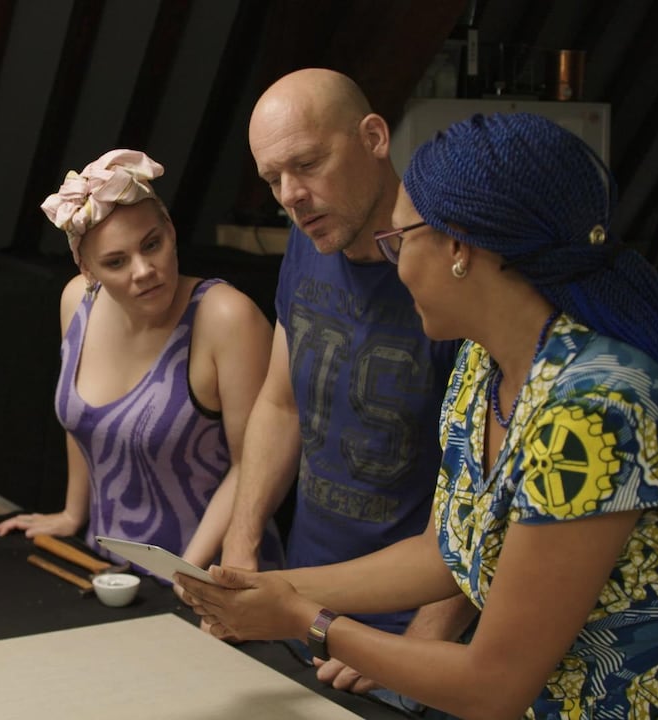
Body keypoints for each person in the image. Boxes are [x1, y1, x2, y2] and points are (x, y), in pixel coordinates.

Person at [178, 112, 658, 718]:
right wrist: (279, 588)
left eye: (399, 242)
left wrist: (306, 618)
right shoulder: (482, 367)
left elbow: (494, 684)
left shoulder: (593, 408)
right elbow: (446, 552)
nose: (396, 266)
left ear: (457, 247)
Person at [217, 68, 476, 707]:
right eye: (272, 179)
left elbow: (484, 507)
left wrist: (425, 642)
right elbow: (281, 404)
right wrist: (243, 540)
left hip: (409, 627)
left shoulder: (450, 274)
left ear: (373, 137)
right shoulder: (312, 240)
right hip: (300, 607)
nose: (291, 196)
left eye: (306, 164)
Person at [0, 149, 283, 571]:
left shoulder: (226, 317)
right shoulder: (77, 301)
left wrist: (186, 573)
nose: (144, 270)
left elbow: (253, 466)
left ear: (171, 231)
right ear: (87, 269)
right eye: (116, 262)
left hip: (214, 573)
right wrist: (74, 514)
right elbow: (80, 420)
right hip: (108, 568)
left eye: (152, 244)